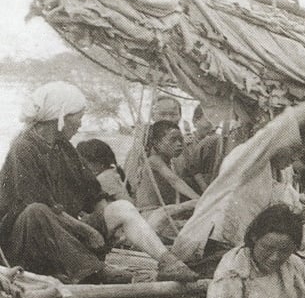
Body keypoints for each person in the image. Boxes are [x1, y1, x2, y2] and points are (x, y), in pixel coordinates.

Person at [0, 82, 197, 283]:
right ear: (61, 117)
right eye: (79, 117)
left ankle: (168, 263)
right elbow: (40, 204)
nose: (80, 124)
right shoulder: (23, 148)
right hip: (27, 243)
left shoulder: (64, 148)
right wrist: (86, 229)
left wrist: (107, 224)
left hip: (63, 235)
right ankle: (93, 270)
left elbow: (92, 192)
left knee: (121, 207)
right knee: (36, 210)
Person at [172, 80, 305, 264]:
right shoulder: (248, 160)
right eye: (293, 151)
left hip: (237, 246)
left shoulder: (270, 172)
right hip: (212, 246)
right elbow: (271, 133)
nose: (294, 159)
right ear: (278, 142)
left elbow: (282, 199)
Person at [125, 120, 202, 239]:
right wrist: (201, 201)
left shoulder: (169, 163)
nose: (179, 144)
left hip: (162, 216)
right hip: (151, 218)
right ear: (157, 142)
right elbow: (174, 181)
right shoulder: (154, 160)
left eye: (180, 140)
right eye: (173, 140)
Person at [76, 138, 130, 203]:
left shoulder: (104, 178)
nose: (83, 167)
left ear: (98, 163)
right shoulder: (112, 171)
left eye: (85, 163)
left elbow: (125, 201)